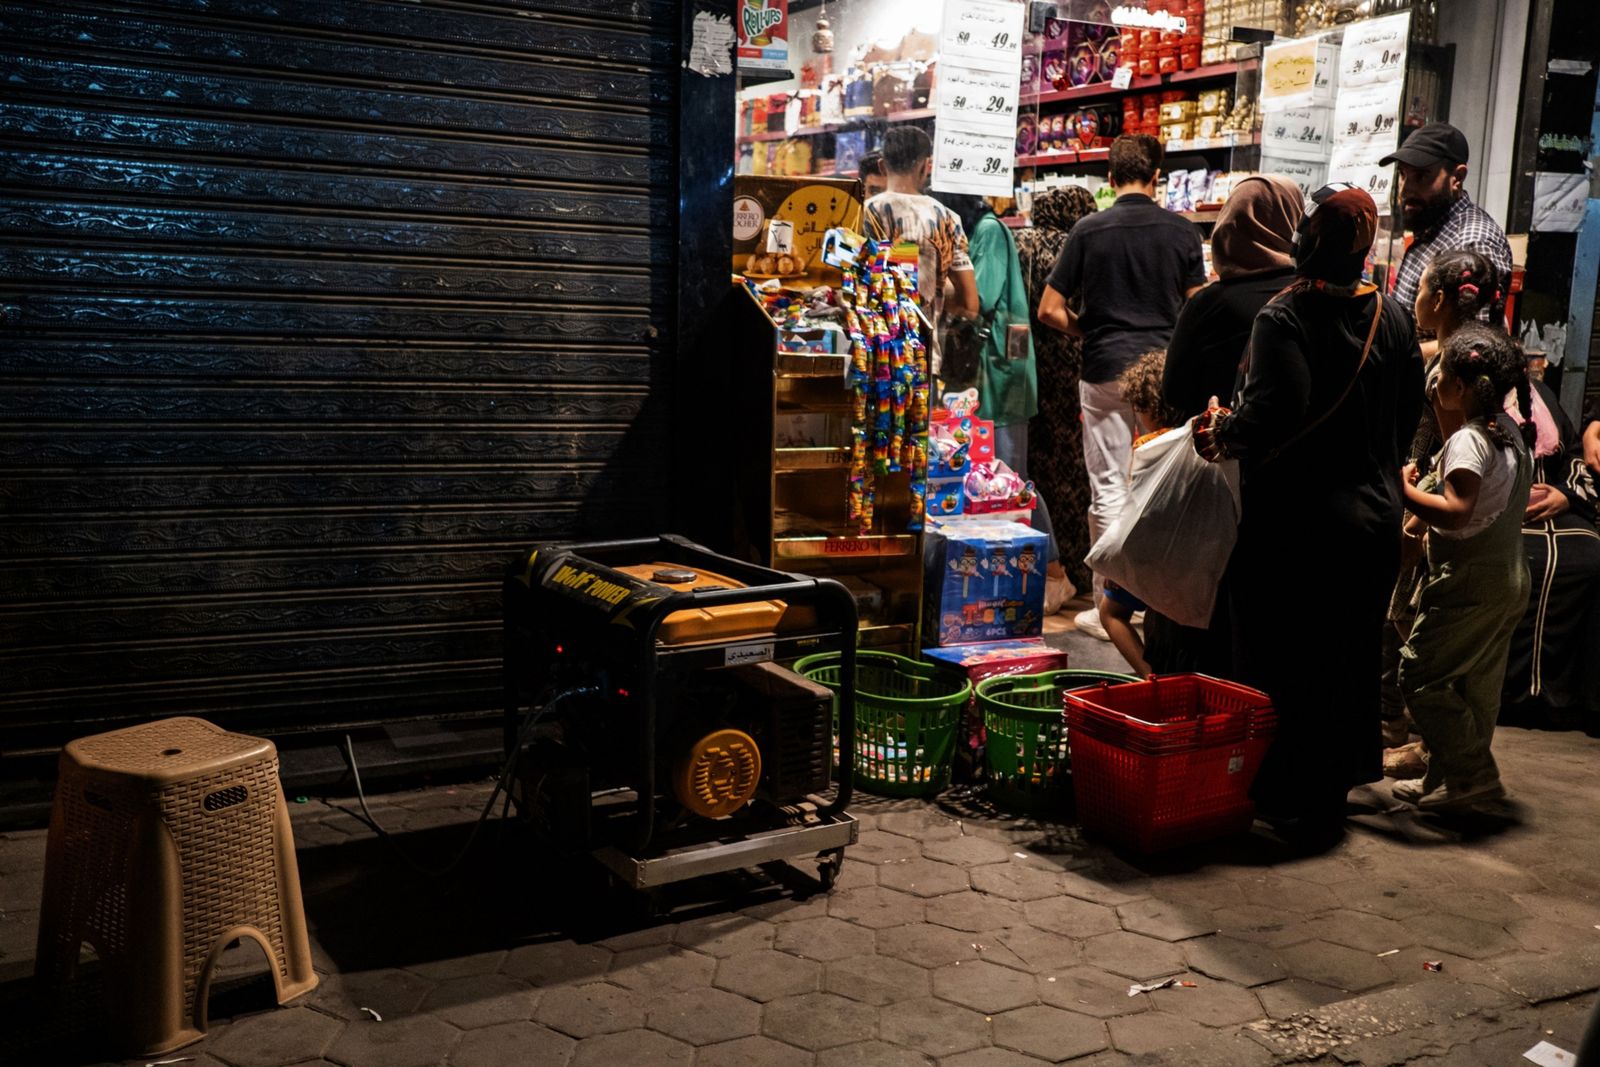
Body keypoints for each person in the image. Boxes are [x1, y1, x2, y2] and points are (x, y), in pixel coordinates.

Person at [1194, 183, 1424, 829]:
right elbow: (1407, 415)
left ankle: (1283, 787)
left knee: (1281, 655)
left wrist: (1221, 430)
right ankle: (1333, 781)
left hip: (1296, 523)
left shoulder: (1284, 315)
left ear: (1309, 239)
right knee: (1347, 656)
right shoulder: (1393, 314)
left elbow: (1274, 410)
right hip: (1371, 519)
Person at [1038, 135, 1205, 639]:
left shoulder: (1088, 229)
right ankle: (1155, 598)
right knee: (1161, 483)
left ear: (1110, 180)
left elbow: (1049, 308)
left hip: (1104, 369)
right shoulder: (1180, 231)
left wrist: (1091, 331)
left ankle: (1108, 605)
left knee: (1108, 484)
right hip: (1162, 372)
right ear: (1156, 176)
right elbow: (1197, 306)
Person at [1395, 325, 1533, 810]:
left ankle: (1473, 776)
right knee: (1474, 685)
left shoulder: (1468, 442)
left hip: (1469, 582)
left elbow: (1456, 508)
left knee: (1422, 676)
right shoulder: (1507, 428)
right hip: (1508, 577)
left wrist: (1402, 490)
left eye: (1443, 373)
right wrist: (1440, 411)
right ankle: (1448, 780)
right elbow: (1469, 462)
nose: (1435, 377)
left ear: (1463, 386)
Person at [1382, 250, 1501, 774]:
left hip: (1431, 494)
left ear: (1438, 298)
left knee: (1411, 621)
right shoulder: (1477, 351)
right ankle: (1421, 736)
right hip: (1437, 490)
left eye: (1423, 288)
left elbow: (1448, 443)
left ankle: (1420, 736)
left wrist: (1412, 507)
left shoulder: (1451, 367)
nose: (1415, 299)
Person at [932, 191, 1057, 586]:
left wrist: (930, 284)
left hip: (1000, 375)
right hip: (985, 374)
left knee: (1009, 479)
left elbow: (978, 299)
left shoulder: (987, 231)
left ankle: (1054, 571)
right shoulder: (979, 233)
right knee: (997, 478)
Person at [1500, 366, 1600, 723]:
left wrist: (1566, 494)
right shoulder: (1468, 395)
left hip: (1555, 505)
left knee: (1588, 560)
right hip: (1499, 508)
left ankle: (1570, 700)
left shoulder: (1540, 394)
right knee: (1518, 562)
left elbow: (1572, 454)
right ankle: (1501, 696)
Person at [1015, 186, 1099, 609]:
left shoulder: (1017, 242)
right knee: (1074, 471)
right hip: (1068, 365)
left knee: (1031, 467)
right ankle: (1079, 568)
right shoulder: (1080, 245)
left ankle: (1033, 566)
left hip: (1023, 368)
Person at [1163, 175, 1305, 418]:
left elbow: (1174, 391)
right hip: (1301, 449)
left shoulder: (1208, 304)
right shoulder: (1313, 295)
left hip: (1223, 446)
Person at [1098, 350, 1188, 677]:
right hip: (1190, 553)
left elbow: (1139, 510)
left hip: (1153, 553)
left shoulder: (1147, 448)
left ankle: (1150, 677)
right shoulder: (1198, 436)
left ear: (1145, 408)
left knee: (1110, 612)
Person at [863, 127, 978, 376]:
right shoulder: (948, 219)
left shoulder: (862, 213)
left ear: (882, 166)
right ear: (926, 166)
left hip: (869, 358)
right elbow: (970, 305)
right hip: (924, 358)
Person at [1383, 122, 1513, 325]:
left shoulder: (1473, 243)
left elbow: (1475, 341)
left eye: (1421, 176)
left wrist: (1400, 352)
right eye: (1403, 175)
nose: (1405, 189)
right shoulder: (1431, 228)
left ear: (1457, 178)